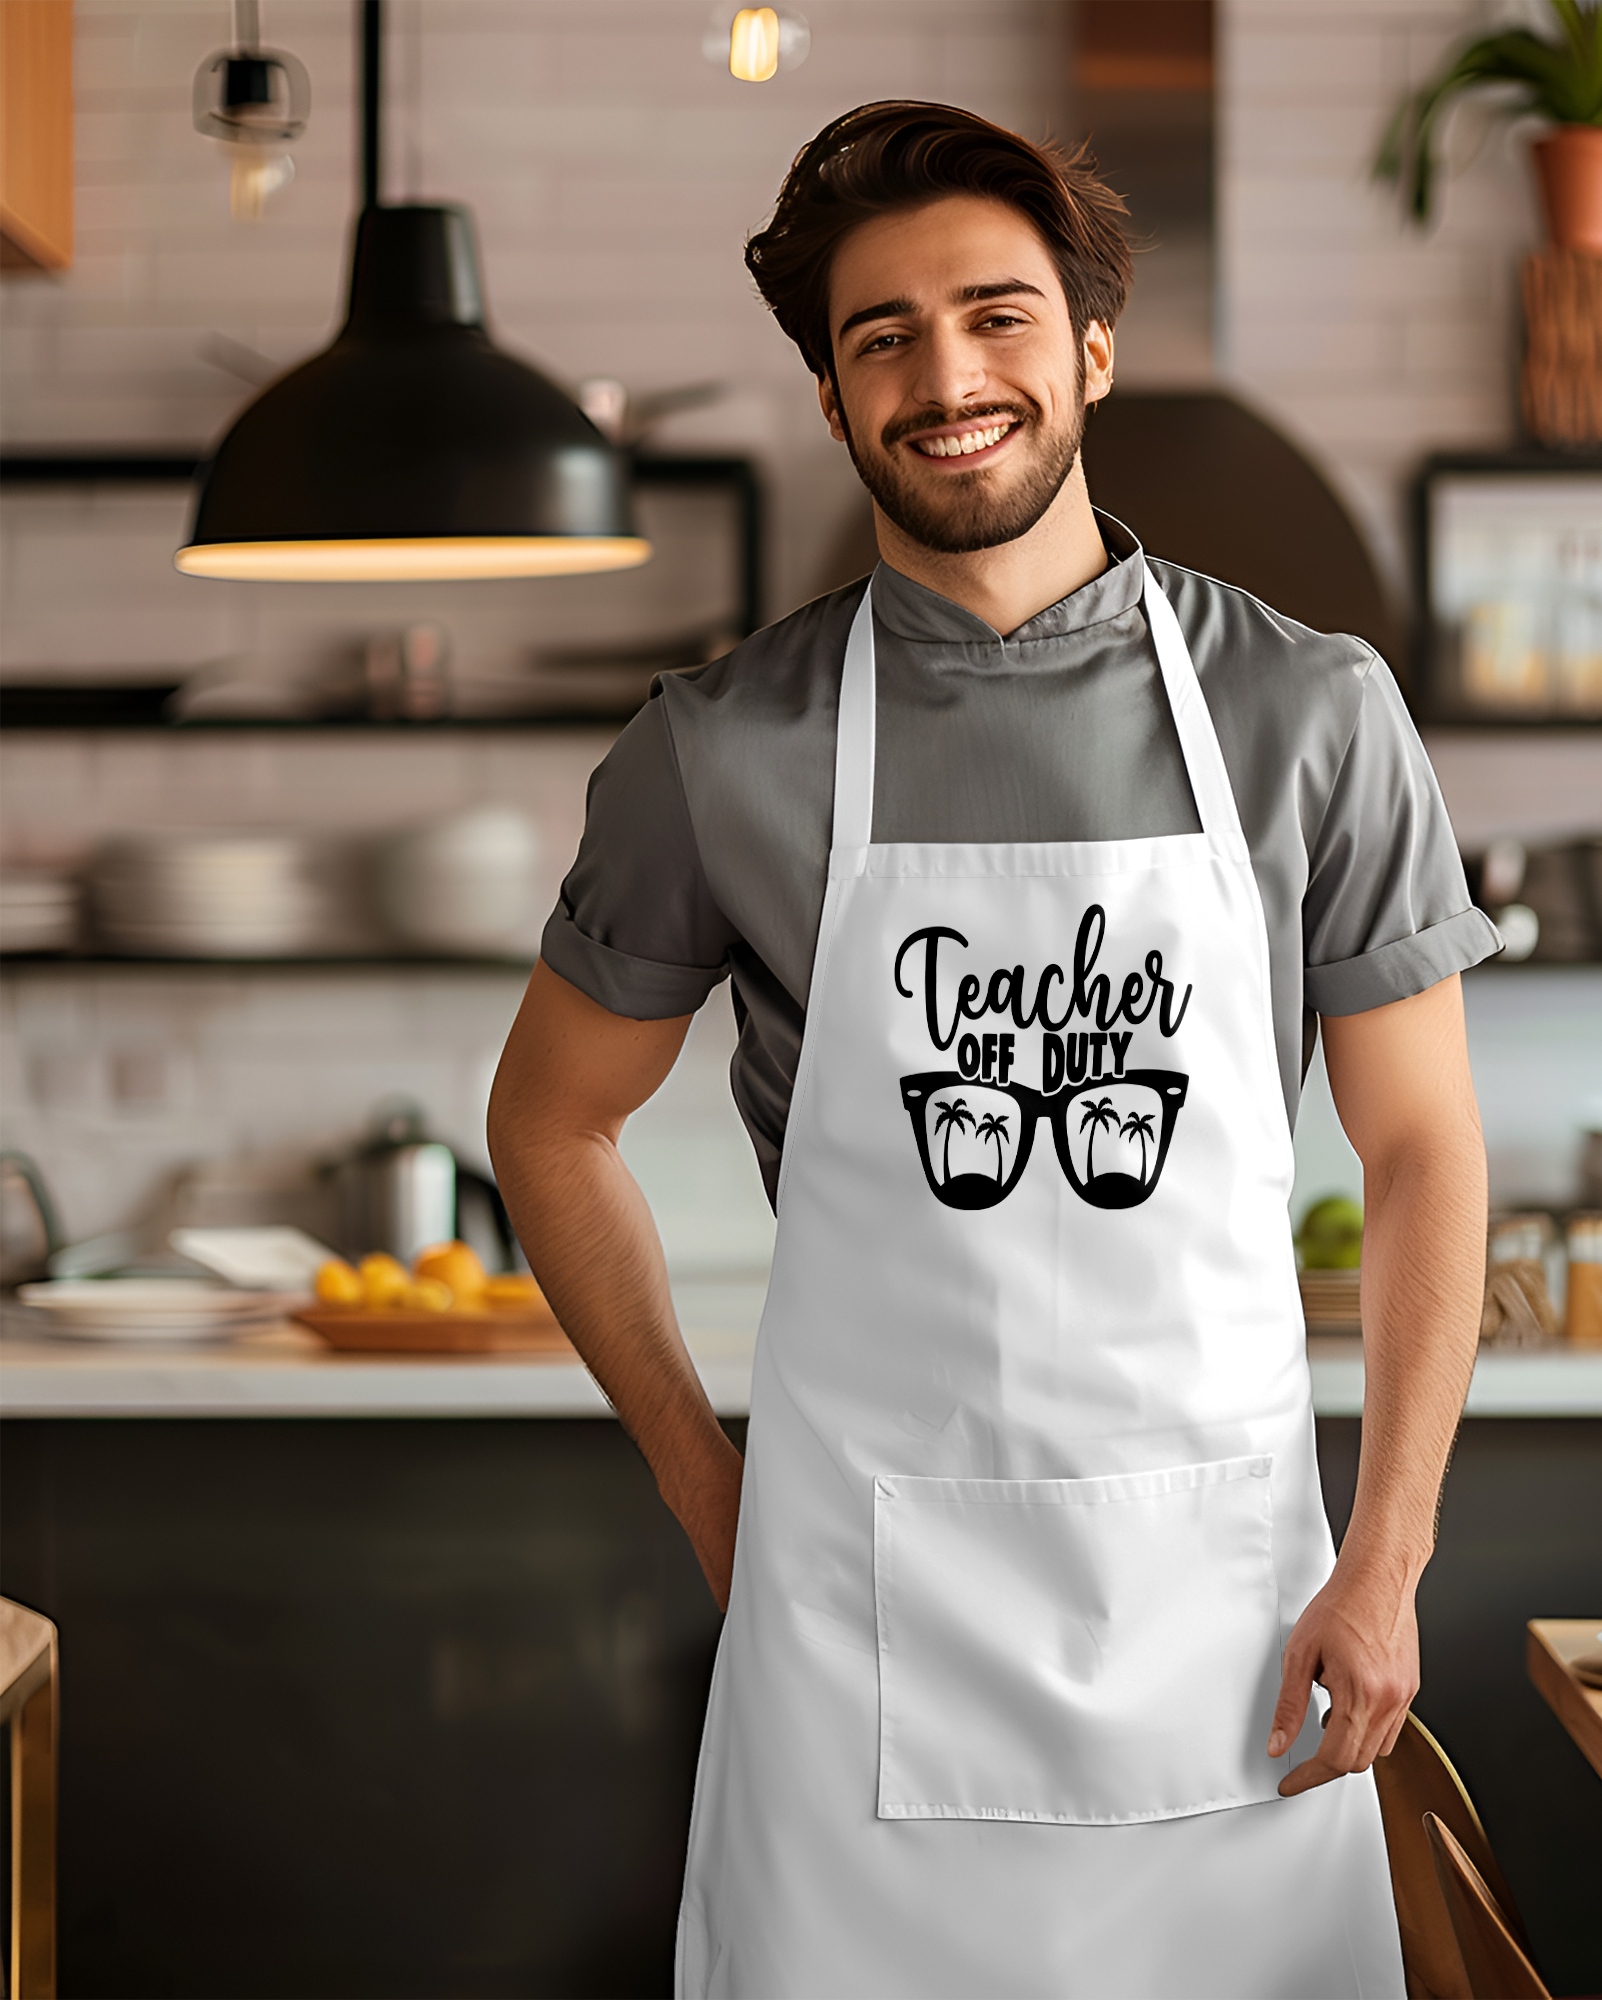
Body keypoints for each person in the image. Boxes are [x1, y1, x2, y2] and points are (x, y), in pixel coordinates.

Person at [488, 99, 1497, 2000]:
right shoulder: (723, 750)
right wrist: (711, 1489)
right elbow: (550, 1125)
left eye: (999, 317)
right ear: (833, 395)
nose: (947, 379)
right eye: (884, 337)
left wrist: (1388, 1560)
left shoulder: (1311, 713)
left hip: (1236, 1625)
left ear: (1093, 350)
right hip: (862, 1636)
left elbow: (1424, 1148)